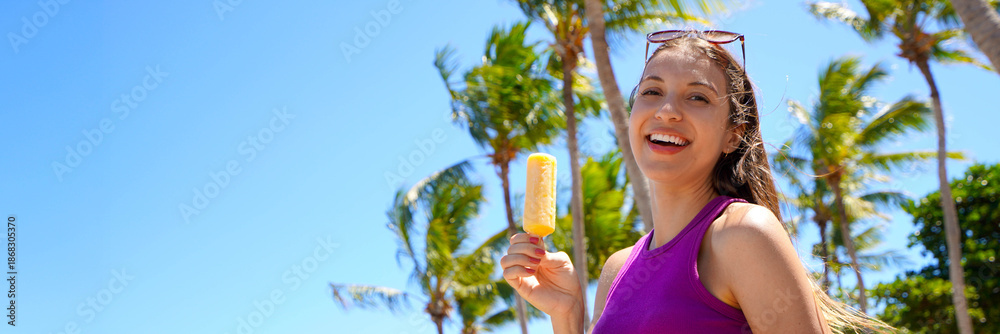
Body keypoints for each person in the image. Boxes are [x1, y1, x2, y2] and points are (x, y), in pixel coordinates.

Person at [500, 30, 893, 333]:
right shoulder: (617, 270)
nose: (667, 111)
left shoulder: (744, 235)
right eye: (652, 92)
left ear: (733, 135)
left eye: (698, 98)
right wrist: (567, 314)